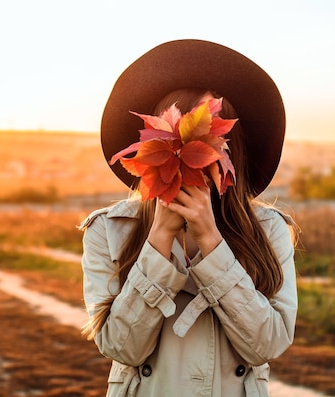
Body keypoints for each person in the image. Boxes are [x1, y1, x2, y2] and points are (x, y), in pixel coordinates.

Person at [79, 39, 299, 397]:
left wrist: (212, 241)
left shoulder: (269, 230)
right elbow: (121, 347)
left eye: (210, 135)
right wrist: (159, 237)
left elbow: (268, 344)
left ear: (231, 147)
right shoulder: (110, 229)